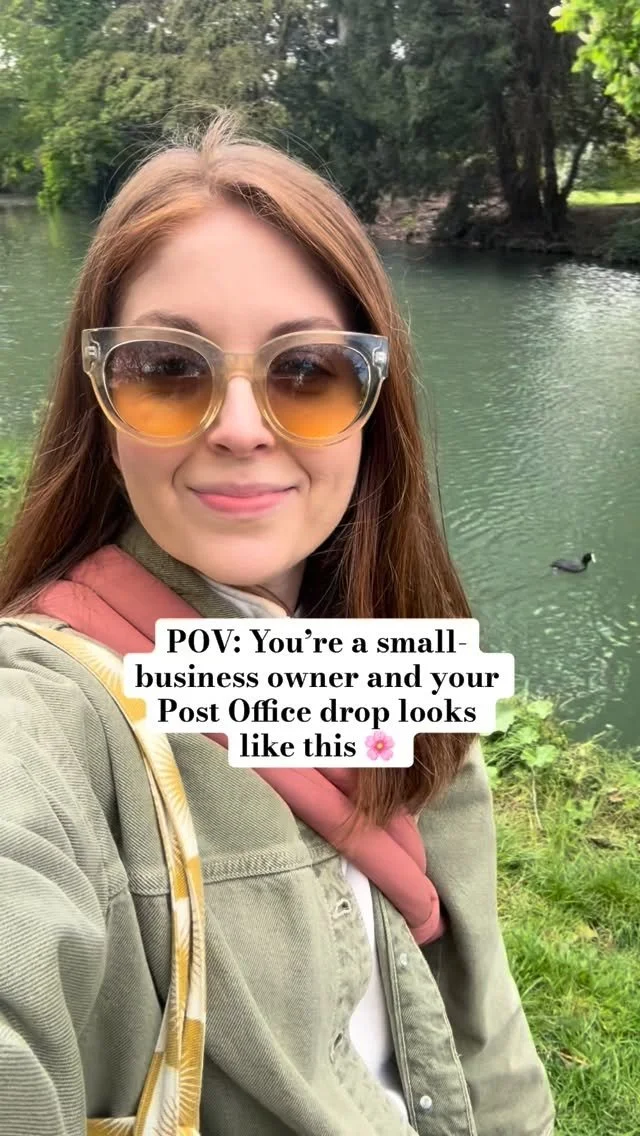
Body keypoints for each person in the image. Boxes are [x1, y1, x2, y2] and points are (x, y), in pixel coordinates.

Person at [0, 112, 555, 1136]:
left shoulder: (392, 649)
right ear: (100, 405)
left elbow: (482, 1018)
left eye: (306, 371)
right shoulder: (44, 714)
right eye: (168, 369)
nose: (242, 427)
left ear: (372, 405)